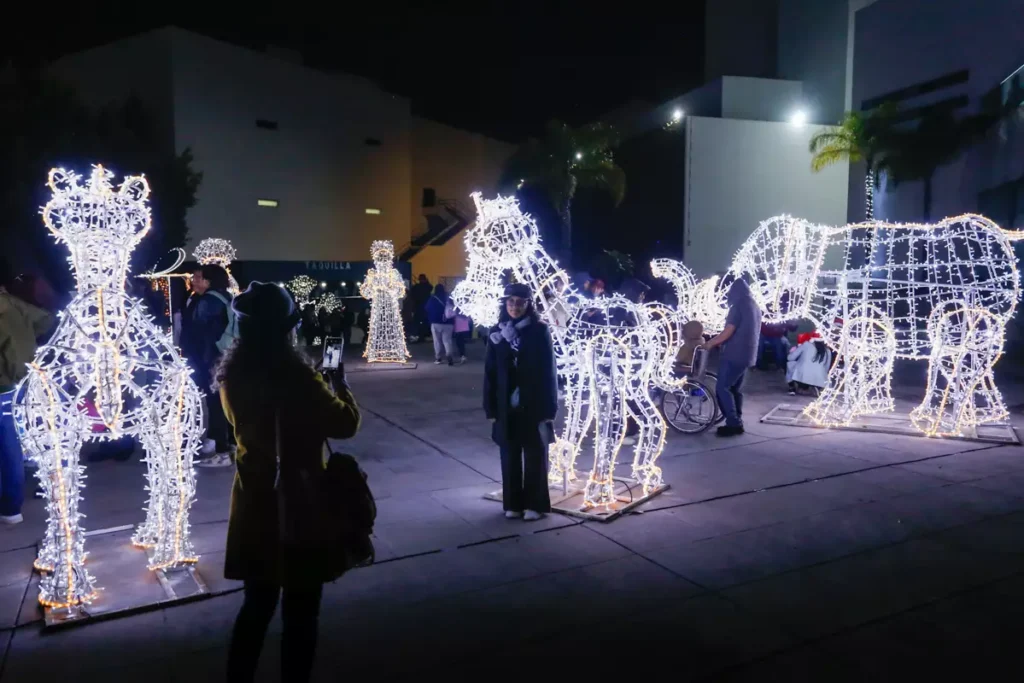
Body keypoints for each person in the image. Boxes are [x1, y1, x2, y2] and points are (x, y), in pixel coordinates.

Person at [217, 282, 361, 683]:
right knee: (301, 612)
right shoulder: (297, 377)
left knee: (256, 606)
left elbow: (241, 426)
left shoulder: (234, 376)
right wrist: (340, 385)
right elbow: (345, 424)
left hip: (253, 501)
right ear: (286, 329)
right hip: (299, 504)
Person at [484, 283, 558, 521]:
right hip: (506, 404)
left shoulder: (538, 330)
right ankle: (513, 503)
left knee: (535, 454)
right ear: (505, 304)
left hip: (533, 402)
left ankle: (535, 505)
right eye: (511, 302)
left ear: (529, 304)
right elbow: (490, 372)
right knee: (509, 454)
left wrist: (549, 408)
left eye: (520, 302)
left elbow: (549, 371)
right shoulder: (497, 332)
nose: (515, 307)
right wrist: (491, 407)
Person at [0, 275, 55, 524]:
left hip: (5, 384)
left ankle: (11, 507)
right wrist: (29, 343)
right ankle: (50, 484)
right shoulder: (15, 303)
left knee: (8, 445)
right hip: (27, 377)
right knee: (33, 431)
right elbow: (46, 320)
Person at [180, 264, 235, 467]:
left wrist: (193, 357)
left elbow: (199, 333)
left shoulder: (208, 301)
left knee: (215, 403)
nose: (193, 279)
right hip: (223, 356)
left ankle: (221, 452)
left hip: (209, 359)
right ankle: (227, 444)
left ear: (209, 281)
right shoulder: (225, 297)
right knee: (223, 402)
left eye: (198, 277)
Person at [703, 278, 762, 437]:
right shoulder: (754, 306)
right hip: (748, 354)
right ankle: (737, 420)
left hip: (734, 354)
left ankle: (733, 423)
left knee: (723, 388)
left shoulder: (738, 306)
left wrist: (711, 343)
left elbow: (729, 330)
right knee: (735, 389)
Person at [426, 284, 455, 366]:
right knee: (447, 341)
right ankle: (449, 354)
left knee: (437, 341)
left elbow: (427, 308)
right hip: (448, 322)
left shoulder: (432, 298)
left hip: (435, 323)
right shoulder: (449, 298)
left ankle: (438, 358)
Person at [410, 274, 432, 342]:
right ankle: (424, 336)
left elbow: (411, 294)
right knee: (425, 323)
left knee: (416, 322)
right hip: (426, 308)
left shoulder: (416, 287)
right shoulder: (427, 287)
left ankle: (416, 336)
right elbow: (431, 287)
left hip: (417, 307)